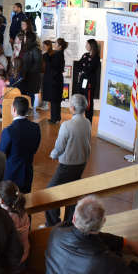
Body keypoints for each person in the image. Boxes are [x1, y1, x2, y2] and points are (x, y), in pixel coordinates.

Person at [45, 94, 93, 227]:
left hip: (67, 165)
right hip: (81, 163)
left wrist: (53, 155)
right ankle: (68, 222)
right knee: (73, 192)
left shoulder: (67, 125)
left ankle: (52, 223)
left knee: (50, 192)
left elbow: (60, 146)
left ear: (72, 108)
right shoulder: (88, 122)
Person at [0, 96, 41, 194]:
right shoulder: (35, 127)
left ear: (14, 109)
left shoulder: (8, 131)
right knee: (25, 201)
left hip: (11, 174)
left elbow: (1, 154)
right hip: (27, 172)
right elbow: (35, 148)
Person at [0, 181, 30, 265]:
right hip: (25, 255)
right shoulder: (23, 212)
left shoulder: (4, 218)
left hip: (11, 262)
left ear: (1, 201)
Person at [44, 38, 67, 124]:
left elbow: (52, 67)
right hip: (57, 79)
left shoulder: (58, 55)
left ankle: (55, 118)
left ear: (60, 46)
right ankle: (56, 117)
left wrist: (47, 55)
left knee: (54, 100)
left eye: (56, 44)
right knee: (56, 100)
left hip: (55, 80)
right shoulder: (59, 54)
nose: (54, 45)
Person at [78, 39, 101, 121]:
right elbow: (79, 65)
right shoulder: (85, 55)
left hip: (90, 83)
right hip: (82, 81)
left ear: (91, 46)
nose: (86, 46)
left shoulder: (96, 58)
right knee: (81, 99)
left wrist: (84, 69)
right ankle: (80, 118)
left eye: (87, 44)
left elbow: (90, 69)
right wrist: (84, 68)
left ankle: (88, 119)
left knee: (88, 101)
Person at [19, 32, 43, 109]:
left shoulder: (35, 49)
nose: (24, 39)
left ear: (29, 39)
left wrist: (28, 71)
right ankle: (25, 109)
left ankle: (29, 108)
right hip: (26, 75)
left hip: (32, 76)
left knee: (30, 93)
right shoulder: (27, 48)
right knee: (25, 93)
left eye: (25, 37)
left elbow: (38, 64)